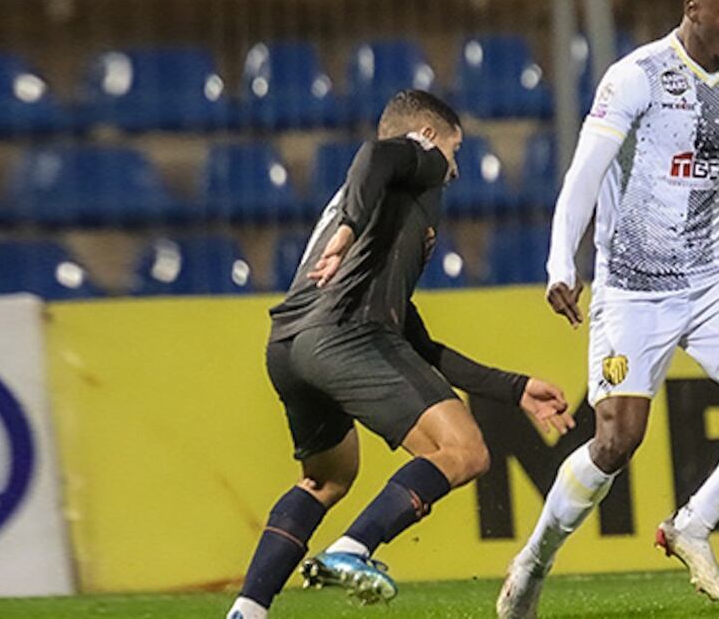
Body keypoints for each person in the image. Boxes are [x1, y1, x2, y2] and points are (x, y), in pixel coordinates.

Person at [496, 0, 719, 618]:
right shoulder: (637, 77)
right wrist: (563, 261)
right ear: (694, 7)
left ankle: (692, 525)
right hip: (632, 288)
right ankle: (535, 560)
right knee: (616, 442)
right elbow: (583, 174)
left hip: (712, 281)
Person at [226, 90, 575, 619]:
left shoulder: (383, 226)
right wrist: (347, 229)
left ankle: (248, 610)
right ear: (428, 137)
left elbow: (417, 345)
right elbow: (377, 153)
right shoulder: (415, 161)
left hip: (290, 344)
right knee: (465, 451)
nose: (454, 171)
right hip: (345, 336)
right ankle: (354, 547)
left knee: (327, 478)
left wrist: (514, 388)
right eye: (455, 151)